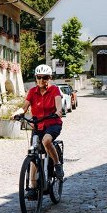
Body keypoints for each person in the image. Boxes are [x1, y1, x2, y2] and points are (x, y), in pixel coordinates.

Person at [13, 64, 64, 199]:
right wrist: (16, 113)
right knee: (33, 151)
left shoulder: (54, 90)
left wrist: (58, 111)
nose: (42, 80)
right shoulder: (32, 91)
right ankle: (33, 186)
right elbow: (24, 108)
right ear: (36, 78)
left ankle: (57, 164)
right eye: (39, 77)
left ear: (49, 78)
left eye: (45, 77)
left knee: (46, 140)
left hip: (53, 123)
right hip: (38, 125)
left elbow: (58, 105)